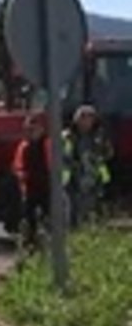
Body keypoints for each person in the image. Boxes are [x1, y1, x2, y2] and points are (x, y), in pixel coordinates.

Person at [63, 104, 112, 227]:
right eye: (83, 117)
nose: (86, 120)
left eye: (90, 117)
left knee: (94, 210)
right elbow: (62, 156)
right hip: (73, 180)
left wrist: (98, 157)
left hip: (95, 179)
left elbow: (109, 153)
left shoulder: (99, 136)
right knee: (73, 210)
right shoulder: (67, 136)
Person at [11, 113, 53, 253]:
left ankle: (50, 244)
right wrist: (22, 178)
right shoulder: (24, 146)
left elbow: (54, 164)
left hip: (47, 186)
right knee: (28, 218)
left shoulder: (48, 144)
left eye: (35, 128)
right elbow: (18, 166)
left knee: (50, 216)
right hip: (30, 187)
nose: (32, 131)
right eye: (29, 128)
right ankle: (30, 245)